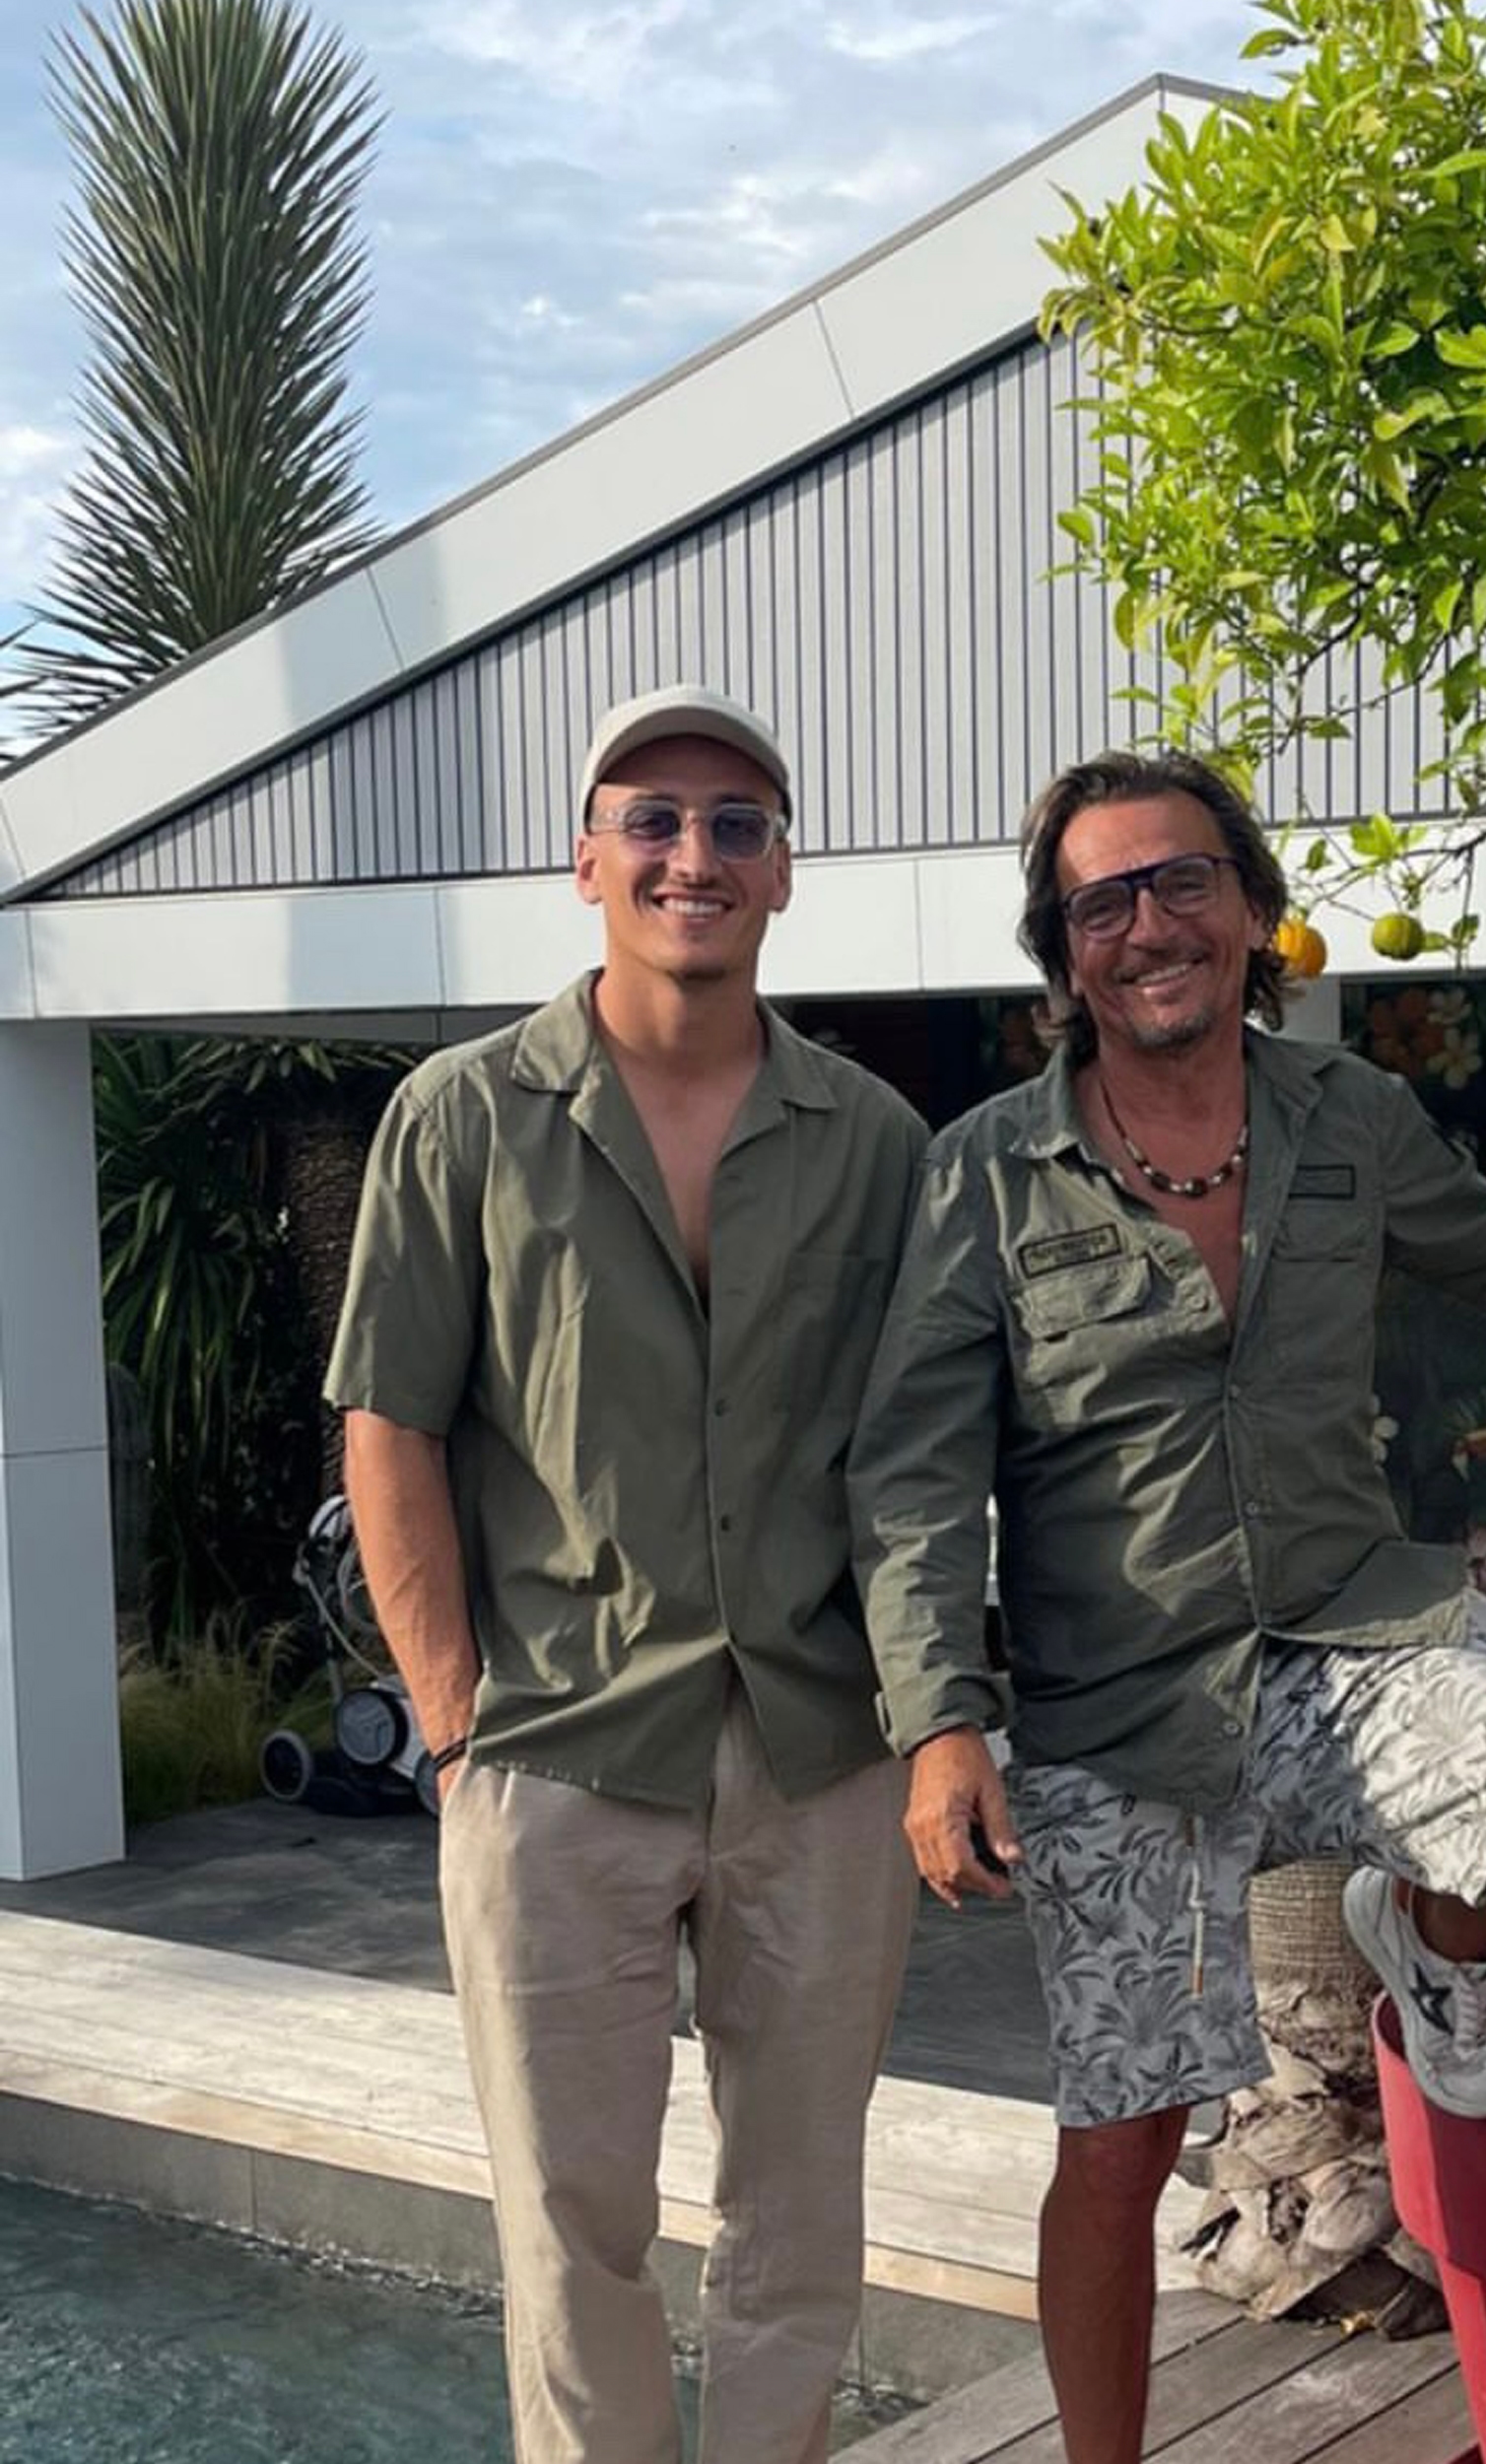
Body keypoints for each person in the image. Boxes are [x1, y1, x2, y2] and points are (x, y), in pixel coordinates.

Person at [849, 746, 1486, 2464]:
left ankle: (1426, 1950)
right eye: (1100, 901)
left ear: (1254, 912)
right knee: (1124, 2134)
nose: (1146, 924)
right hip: (1116, 1708)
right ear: (1062, 954)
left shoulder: (1347, 1121)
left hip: (1348, 1636)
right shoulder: (981, 1174)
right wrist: (939, 1723)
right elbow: (913, 1470)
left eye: (1181, 880)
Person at [326, 685, 927, 2464]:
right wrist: (453, 1728)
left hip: (822, 1749)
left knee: (799, 2223)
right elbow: (391, 1430)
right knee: (571, 2228)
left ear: (785, 873)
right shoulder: (459, 1117)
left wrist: (938, 1715)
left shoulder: (874, 1141)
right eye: (652, 817)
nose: (694, 854)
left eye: (737, 823)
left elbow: (911, 1456)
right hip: (555, 1749)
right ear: (584, 857)